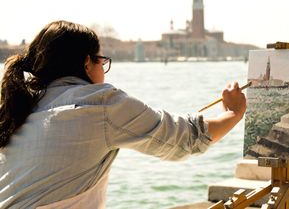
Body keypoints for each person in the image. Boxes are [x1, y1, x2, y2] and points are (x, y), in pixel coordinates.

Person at [0, 20, 246, 208]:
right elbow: (184, 138)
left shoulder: (19, 109)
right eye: (102, 61)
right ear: (87, 63)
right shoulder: (100, 103)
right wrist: (233, 113)